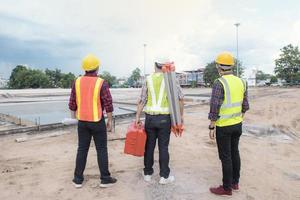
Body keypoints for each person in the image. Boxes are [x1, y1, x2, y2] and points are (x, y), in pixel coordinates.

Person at [69, 54, 117, 188]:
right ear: (97, 68)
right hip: (97, 121)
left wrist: (74, 119)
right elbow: (108, 103)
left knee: (82, 149)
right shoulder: (101, 82)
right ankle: (105, 179)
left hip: (82, 122)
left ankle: (78, 180)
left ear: (84, 68)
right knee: (101, 149)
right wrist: (109, 120)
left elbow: (72, 103)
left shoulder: (76, 82)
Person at [135, 58, 184, 184]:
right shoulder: (171, 79)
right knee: (163, 147)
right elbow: (180, 99)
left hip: (150, 119)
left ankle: (147, 173)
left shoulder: (148, 79)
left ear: (155, 65)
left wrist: (137, 118)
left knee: (149, 147)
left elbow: (142, 100)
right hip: (164, 119)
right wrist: (180, 117)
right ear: (166, 66)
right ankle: (164, 176)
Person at [208, 52, 249, 196]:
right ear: (231, 66)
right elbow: (245, 105)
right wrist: (238, 118)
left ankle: (226, 188)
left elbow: (215, 107)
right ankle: (235, 182)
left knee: (225, 156)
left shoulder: (219, 83)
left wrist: (212, 126)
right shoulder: (242, 81)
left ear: (219, 66)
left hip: (224, 126)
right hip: (238, 124)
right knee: (235, 152)